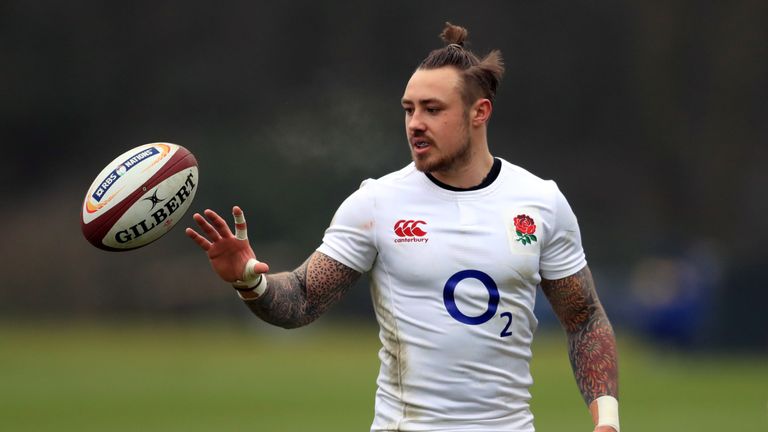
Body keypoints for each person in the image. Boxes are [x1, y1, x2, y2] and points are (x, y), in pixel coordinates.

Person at [186, 22, 620, 432]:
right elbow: (301, 299)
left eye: (433, 109)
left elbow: (583, 318)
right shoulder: (377, 203)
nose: (415, 123)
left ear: (479, 112)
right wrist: (251, 283)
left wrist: (607, 418)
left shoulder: (541, 202)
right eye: (409, 109)